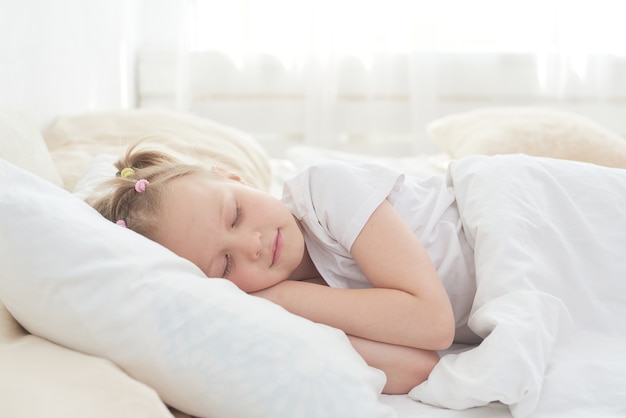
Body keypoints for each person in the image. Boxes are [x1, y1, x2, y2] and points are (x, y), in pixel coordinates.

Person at [90, 144, 481, 394]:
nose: (252, 245)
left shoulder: (326, 192)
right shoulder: (279, 312)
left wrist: (285, 296)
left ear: (234, 178)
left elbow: (433, 324)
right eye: (225, 264)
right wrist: (280, 306)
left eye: (236, 214)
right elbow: (420, 367)